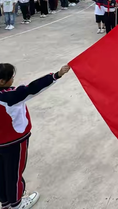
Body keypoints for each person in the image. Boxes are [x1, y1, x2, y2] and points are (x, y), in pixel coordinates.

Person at [0, 62, 71, 209]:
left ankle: (6, 202)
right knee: (14, 173)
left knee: (2, 173)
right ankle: (17, 204)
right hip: (14, 142)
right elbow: (33, 88)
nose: (13, 79)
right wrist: (57, 74)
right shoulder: (11, 97)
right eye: (11, 77)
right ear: (1, 81)